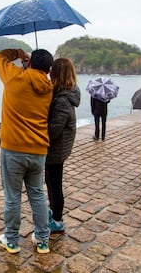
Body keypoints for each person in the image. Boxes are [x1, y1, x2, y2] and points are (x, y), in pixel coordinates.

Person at [0, 48, 53, 254]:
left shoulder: (14, 77)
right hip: (39, 150)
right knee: (37, 195)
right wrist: (32, 65)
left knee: (12, 197)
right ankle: (43, 240)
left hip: (13, 149)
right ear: (49, 69)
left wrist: (20, 53)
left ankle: (11, 240)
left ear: (29, 62)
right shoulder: (49, 86)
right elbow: (36, 78)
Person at [45, 58, 80, 234]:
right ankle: (54, 212)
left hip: (56, 150)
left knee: (54, 184)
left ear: (57, 73)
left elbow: (54, 130)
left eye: (52, 70)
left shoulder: (63, 100)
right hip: (57, 148)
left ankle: (57, 220)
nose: (49, 72)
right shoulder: (62, 94)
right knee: (51, 182)